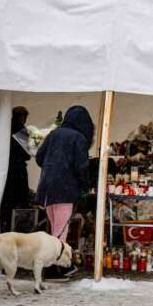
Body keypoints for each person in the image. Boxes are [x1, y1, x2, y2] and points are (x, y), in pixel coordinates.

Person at [35, 105, 94, 281]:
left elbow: (39, 158)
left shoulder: (54, 134)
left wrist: (52, 167)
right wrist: (85, 186)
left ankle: (55, 266)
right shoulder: (79, 138)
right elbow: (82, 167)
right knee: (60, 231)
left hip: (46, 189)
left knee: (54, 228)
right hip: (65, 189)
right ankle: (54, 270)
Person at [0, 106, 32, 233]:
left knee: (6, 202)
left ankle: (3, 228)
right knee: (20, 202)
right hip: (18, 170)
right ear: (23, 117)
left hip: (5, 169)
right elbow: (27, 153)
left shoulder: (4, 128)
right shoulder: (21, 130)